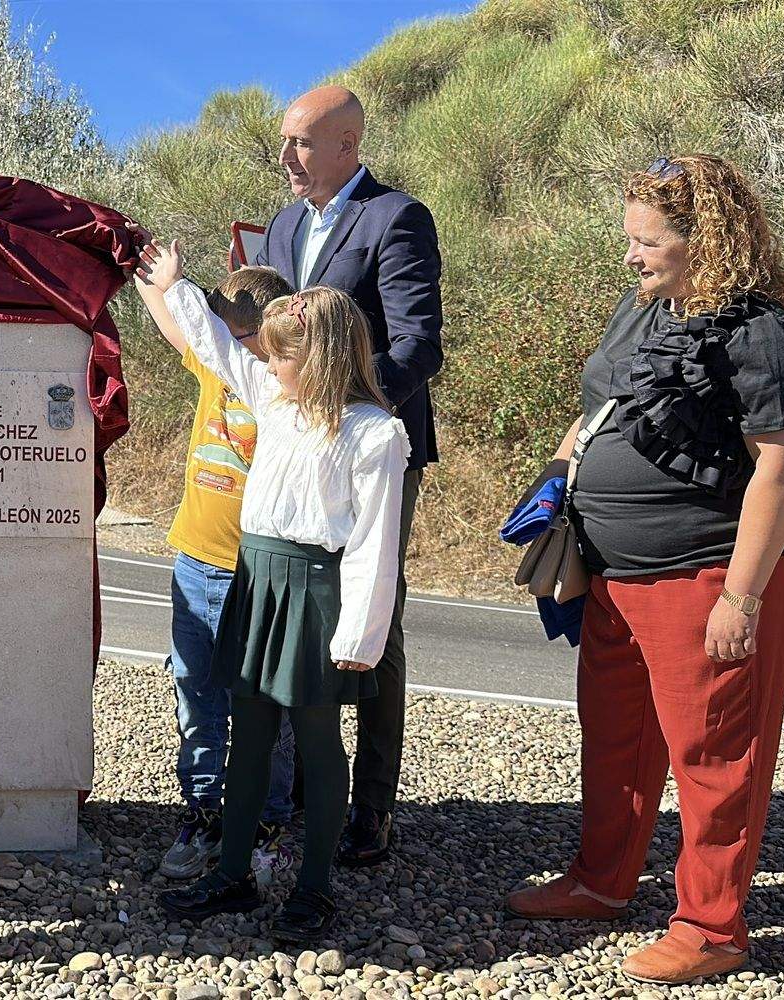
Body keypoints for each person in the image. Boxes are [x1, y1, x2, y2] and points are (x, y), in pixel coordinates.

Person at [504, 155, 784, 986]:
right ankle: (604, 884)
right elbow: (606, 397)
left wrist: (742, 599)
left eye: (648, 242)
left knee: (715, 756)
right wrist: (569, 462)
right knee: (616, 739)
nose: (631, 257)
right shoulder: (644, 306)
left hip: (705, 573)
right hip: (612, 567)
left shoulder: (764, 330)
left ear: (704, 239)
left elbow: (783, 466)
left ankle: (713, 926)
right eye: (629, 239)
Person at [142, 238, 409, 943]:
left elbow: (376, 547)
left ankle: (314, 889)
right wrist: (174, 285)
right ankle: (233, 873)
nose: (266, 361)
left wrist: (359, 637)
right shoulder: (274, 395)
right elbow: (216, 346)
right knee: (250, 735)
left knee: (318, 743)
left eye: (281, 353)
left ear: (318, 358)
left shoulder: (374, 434)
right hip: (257, 583)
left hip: (312, 592)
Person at [247, 85, 444, 867]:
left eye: (301, 142)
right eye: (285, 141)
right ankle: (304, 790)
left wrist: (348, 412)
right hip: (296, 449)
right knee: (300, 609)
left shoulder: (396, 218)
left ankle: (372, 806)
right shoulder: (285, 224)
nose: (287, 157)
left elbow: (418, 345)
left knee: (371, 616)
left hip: (367, 446)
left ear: (348, 144)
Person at [133, 265, 301, 880]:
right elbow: (171, 315)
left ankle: (269, 822)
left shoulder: (288, 389)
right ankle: (204, 813)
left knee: (263, 702)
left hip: (261, 570)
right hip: (198, 559)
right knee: (197, 691)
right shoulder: (210, 361)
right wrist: (140, 258)